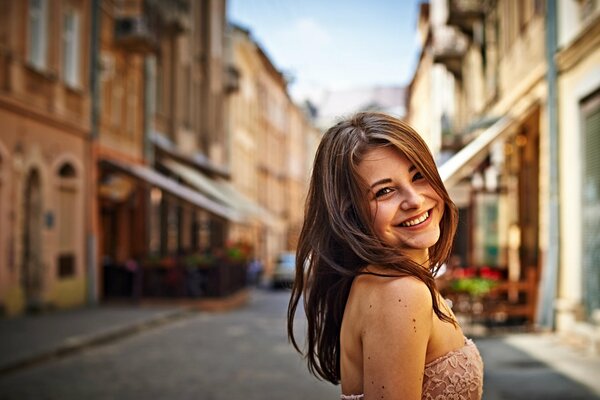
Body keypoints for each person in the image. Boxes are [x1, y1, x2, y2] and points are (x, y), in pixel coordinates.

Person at [287, 112, 483, 399]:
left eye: (418, 176)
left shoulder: (386, 282)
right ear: (351, 214)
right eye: (385, 191)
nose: (414, 201)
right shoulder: (399, 292)